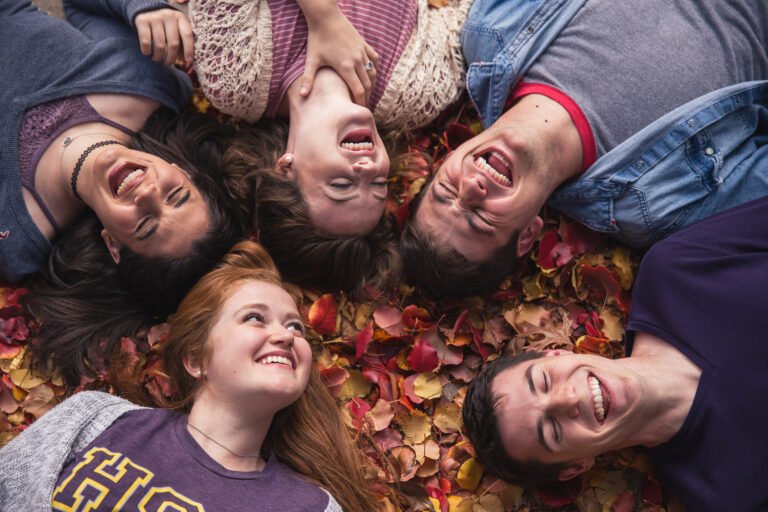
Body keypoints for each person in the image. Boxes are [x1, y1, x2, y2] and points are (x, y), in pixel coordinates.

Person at [402, 0, 768, 296]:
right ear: (528, 234)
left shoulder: (493, 32)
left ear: (445, 160)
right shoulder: (658, 202)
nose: (470, 188)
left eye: (445, 191)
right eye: (480, 219)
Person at [0, 241, 378, 512]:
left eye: (296, 327)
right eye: (254, 317)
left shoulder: (311, 506)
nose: (286, 335)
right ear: (196, 359)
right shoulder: (97, 418)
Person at [461, 196, 768, 511]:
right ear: (575, 466)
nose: (568, 399)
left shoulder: (675, 271)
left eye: (544, 381)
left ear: (554, 355)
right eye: (552, 429)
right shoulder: (724, 497)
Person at [188, 0, 472, 295]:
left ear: (287, 167)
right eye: (378, 183)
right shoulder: (415, 91)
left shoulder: (236, 76)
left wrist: (323, 17)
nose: (369, 167)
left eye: (340, 185)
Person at [0, 0, 243, 289]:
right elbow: (80, 5)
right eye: (176, 195)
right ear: (183, 172)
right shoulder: (150, 85)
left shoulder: (16, 240)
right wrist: (142, 8)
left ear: (112, 244)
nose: (148, 195)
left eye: (146, 226)